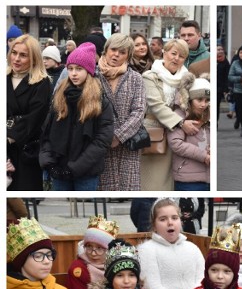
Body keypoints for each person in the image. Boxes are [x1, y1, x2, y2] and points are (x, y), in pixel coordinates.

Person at [39, 42, 115, 191]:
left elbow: (102, 140)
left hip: (86, 172)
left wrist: (75, 168)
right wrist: (50, 164)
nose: (73, 73)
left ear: (89, 71)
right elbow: (46, 134)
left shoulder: (99, 101)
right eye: (70, 68)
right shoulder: (60, 96)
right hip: (59, 169)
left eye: (79, 69)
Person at [96, 33, 146, 191]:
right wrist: (104, 137)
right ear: (106, 50)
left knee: (128, 188)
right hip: (99, 143)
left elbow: (139, 110)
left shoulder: (135, 78)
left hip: (127, 145)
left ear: (128, 56)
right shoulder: (93, 75)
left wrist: (119, 135)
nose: (116, 54)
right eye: (113, 49)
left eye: (122, 52)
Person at [141, 39, 192, 191]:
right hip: (155, 132)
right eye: (173, 53)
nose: (176, 58)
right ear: (164, 52)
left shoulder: (187, 78)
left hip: (179, 135)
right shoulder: (150, 76)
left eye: (181, 56)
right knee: (153, 183)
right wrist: (181, 122)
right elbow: (156, 105)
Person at [7, 34, 51, 191]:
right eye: (14, 52)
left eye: (23, 55)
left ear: (33, 58)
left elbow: (35, 117)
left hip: (26, 150)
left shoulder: (42, 82)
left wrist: (9, 136)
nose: (17, 58)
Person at [67, 215, 118, 289]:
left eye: (99, 248)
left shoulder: (116, 265)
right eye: (89, 246)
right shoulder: (79, 269)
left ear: (109, 250)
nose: (93, 252)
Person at [168, 72, 211, 191]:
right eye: (199, 100)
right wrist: (204, 156)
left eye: (207, 100)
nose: (203, 104)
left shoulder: (208, 115)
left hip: (209, 177)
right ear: (190, 99)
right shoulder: (179, 115)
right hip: (187, 178)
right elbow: (175, 143)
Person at [216, 45, 230, 122]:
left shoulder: (225, 62)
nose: (220, 51)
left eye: (221, 49)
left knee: (216, 105)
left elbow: (227, 76)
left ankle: (216, 121)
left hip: (219, 88)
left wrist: (225, 89)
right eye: (218, 49)